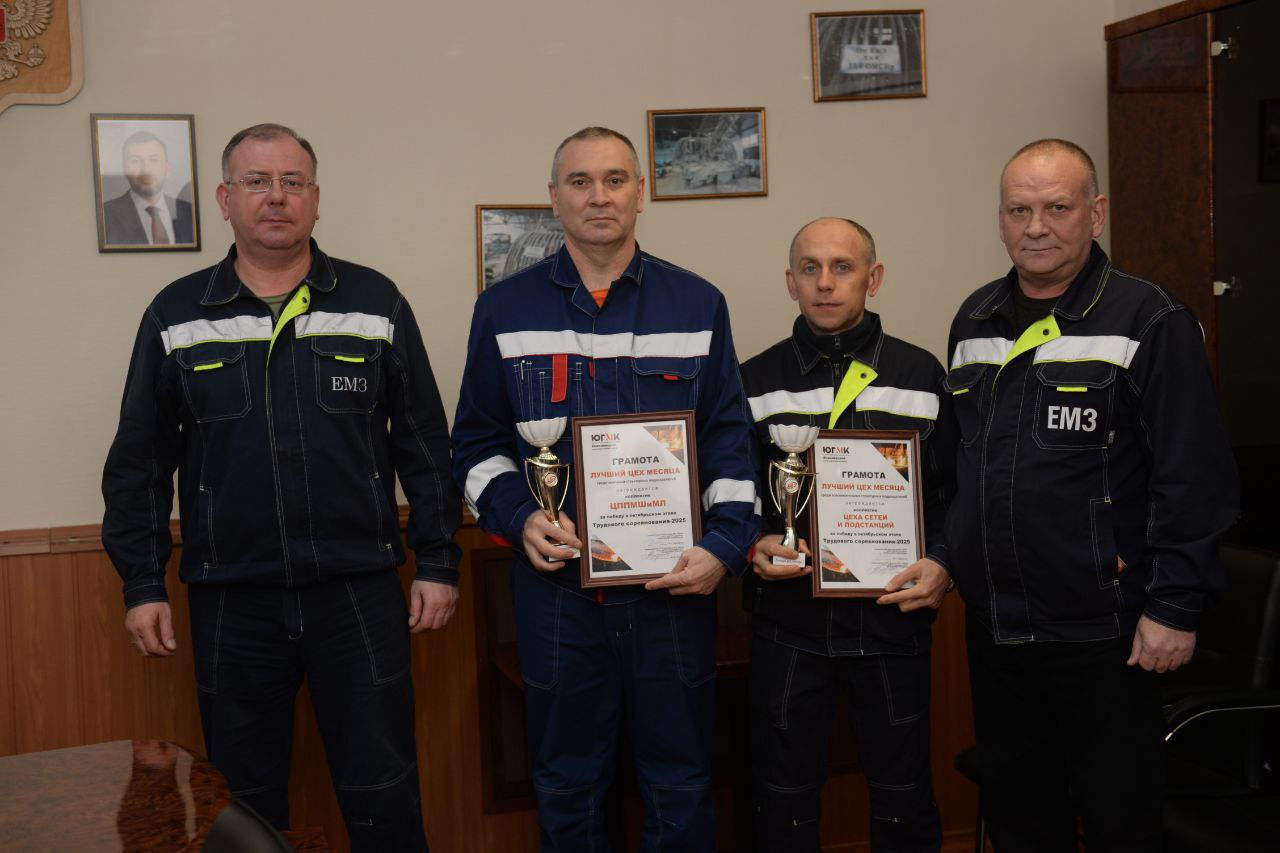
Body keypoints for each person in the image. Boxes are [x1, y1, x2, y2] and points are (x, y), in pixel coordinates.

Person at [101, 123, 460, 851]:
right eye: (257, 182)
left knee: (384, 790)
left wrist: (440, 560)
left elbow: (424, 444)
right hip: (233, 598)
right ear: (225, 199)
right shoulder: (176, 314)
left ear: (315, 199)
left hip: (358, 593)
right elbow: (141, 462)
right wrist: (141, 581)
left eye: (292, 182)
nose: (276, 197)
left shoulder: (376, 301)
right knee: (242, 803)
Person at [451, 126, 757, 850]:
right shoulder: (505, 309)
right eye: (581, 181)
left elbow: (729, 441)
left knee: (681, 781)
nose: (599, 196)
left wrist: (723, 546)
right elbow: (474, 444)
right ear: (554, 198)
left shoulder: (697, 303)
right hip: (557, 593)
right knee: (567, 784)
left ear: (640, 193)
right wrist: (520, 517)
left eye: (615, 179)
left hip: (674, 589)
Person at [945, 138, 1239, 851]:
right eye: (1019, 210)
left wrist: (1174, 606)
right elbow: (964, 466)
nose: (1036, 227)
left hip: (1106, 634)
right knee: (1021, 821)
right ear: (1000, 218)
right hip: (998, 630)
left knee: (1117, 823)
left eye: (1057, 208)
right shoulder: (975, 320)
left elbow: (1194, 477)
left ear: (1096, 213)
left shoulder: (1150, 319)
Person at [741, 218, 951, 851]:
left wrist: (944, 563)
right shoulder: (754, 379)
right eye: (810, 269)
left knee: (904, 798)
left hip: (892, 622)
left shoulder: (920, 374)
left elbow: (954, 492)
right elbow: (730, 493)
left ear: (873, 278)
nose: (825, 283)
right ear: (790, 282)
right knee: (781, 801)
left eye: (842, 267)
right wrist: (754, 543)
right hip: (788, 624)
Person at [102, 130, 195, 246]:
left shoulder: (189, 211)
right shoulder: (105, 215)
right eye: (135, 161)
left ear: (167, 168)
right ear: (124, 169)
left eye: (154, 160)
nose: (146, 169)